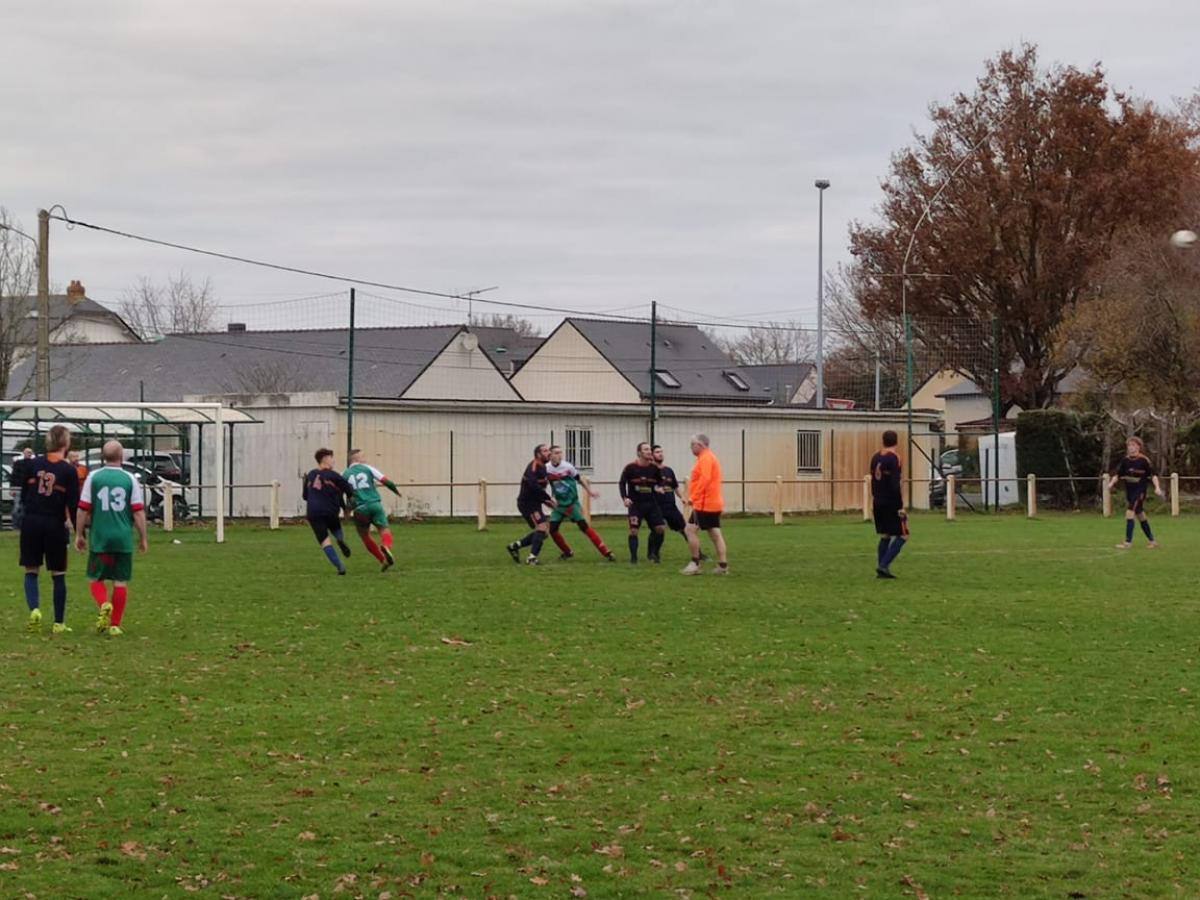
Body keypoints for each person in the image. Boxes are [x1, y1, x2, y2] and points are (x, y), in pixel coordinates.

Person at [75, 440, 149, 636]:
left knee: (95, 577)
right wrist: (143, 537)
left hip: (100, 537)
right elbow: (138, 512)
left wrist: (79, 534)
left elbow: (83, 508)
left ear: (103, 457)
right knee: (120, 580)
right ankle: (115, 625)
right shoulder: (130, 479)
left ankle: (104, 604)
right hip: (123, 538)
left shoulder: (94, 477)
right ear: (122, 456)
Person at [18, 426, 81, 632]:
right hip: (54, 523)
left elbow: (25, 493)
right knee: (58, 573)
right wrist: (79, 532)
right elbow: (73, 504)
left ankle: (34, 609)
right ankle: (59, 623)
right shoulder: (68, 470)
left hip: (31, 522)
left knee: (31, 569)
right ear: (65, 443)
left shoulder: (33, 465)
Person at [545, 445, 616, 562]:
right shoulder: (546, 468)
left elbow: (579, 479)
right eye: (556, 453)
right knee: (552, 529)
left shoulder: (567, 467)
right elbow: (542, 483)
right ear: (550, 455)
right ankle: (567, 552)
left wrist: (590, 491)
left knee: (584, 526)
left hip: (572, 503)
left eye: (560, 453)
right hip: (558, 505)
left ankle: (606, 552)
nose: (559, 455)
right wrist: (548, 499)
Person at [343, 449, 402, 571]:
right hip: (375, 505)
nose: (365, 459)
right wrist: (396, 491)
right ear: (356, 459)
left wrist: (347, 511)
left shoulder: (344, 474)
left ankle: (382, 560)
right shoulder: (368, 468)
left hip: (360, 509)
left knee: (365, 536)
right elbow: (386, 482)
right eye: (363, 457)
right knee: (384, 529)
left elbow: (346, 495)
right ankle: (386, 546)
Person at [302, 448, 355, 575]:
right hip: (330, 510)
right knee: (335, 527)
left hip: (313, 512)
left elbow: (305, 496)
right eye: (332, 458)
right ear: (325, 459)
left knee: (325, 542)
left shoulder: (310, 475)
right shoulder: (334, 475)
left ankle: (340, 567)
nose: (334, 461)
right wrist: (348, 505)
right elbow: (349, 489)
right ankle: (340, 539)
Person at [682, 434, 728, 575]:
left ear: (700, 445)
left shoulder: (706, 458)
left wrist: (693, 497)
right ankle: (723, 565)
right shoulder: (707, 458)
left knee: (690, 530)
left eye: (692, 444)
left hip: (704, 503)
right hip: (712, 502)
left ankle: (695, 563)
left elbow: (705, 479)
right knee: (714, 533)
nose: (691, 447)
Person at [1109, 436, 1165, 549]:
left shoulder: (1144, 460)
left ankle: (1128, 542)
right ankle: (1152, 541)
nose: (1131, 448)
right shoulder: (1125, 461)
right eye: (1129, 445)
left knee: (1129, 513)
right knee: (1141, 516)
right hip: (1130, 492)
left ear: (1139, 447)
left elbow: (1153, 475)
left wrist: (1157, 488)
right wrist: (1111, 483)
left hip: (1140, 492)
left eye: (1133, 445)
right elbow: (1118, 475)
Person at [507, 444, 556, 565]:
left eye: (549, 450)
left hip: (535, 503)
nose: (549, 453)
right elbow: (534, 487)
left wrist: (547, 501)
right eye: (545, 451)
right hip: (527, 504)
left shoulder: (543, 467)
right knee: (542, 528)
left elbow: (539, 489)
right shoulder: (533, 467)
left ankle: (515, 546)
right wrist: (548, 498)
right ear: (538, 454)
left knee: (544, 532)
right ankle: (532, 558)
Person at [869, 430, 908, 579]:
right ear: (896, 441)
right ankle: (884, 565)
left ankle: (882, 569)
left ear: (883, 441)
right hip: (891, 502)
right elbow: (894, 484)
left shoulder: (875, 457)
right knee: (904, 535)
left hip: (877, 500)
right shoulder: (895, 458)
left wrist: (876, 497)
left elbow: (873, 480)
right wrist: (900, 506)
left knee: (885, 535)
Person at [619, 442, 666, 564]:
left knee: (660, 529)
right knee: (634, 530)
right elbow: (622, 483)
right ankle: (633, 559)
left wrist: (659, 487)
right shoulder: (630, 468)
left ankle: (654, 553)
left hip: (651, 504)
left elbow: (661, 481)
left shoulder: (654, 468)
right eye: (646, 449)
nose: (649, 451)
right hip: (636, 505)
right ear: (639, 452)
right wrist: (625, 497)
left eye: (650, 449)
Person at [652, 444, 693, 559]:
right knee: (659, 530)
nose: (660, 454)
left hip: (670, 506)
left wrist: (682, 498)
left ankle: (698, 553)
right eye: (657, 452)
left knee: (685, 529)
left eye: (661, 452)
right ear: (652, 455)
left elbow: (675, 487)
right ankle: (654, 554)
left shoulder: (668, 470)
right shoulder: (649, 471)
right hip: (656, 507)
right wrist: (655, 488)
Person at [9, 446, 34, 530]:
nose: (29, 454)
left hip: (28, 489)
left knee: (25, 507)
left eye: (30, 452)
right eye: (27, 452)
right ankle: (15, 525)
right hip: (18, 487)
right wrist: (12, 488)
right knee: (17, 508)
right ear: (24, 453)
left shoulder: (33, 463)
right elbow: (13, 476)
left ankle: (22, 525)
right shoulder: (18, 463)